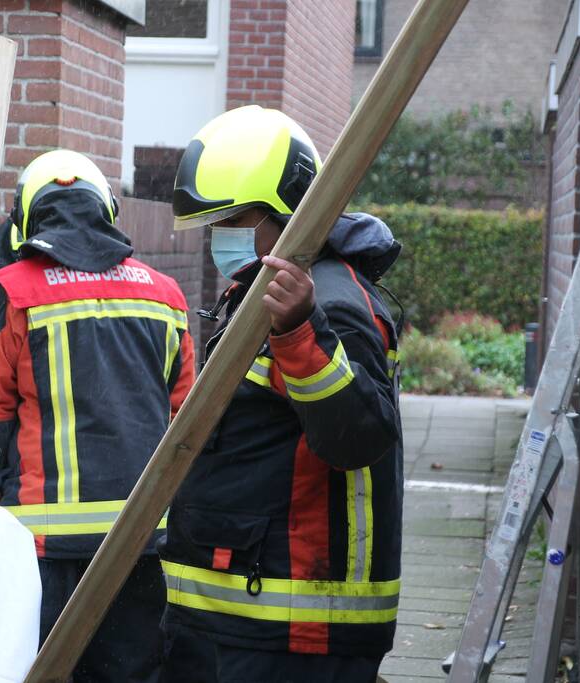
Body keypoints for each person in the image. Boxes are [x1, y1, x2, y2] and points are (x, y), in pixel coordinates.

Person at [158, 105, 404, 683]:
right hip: (239, 614)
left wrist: (299, 332)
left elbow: (359, 435)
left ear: (290, 213)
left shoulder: (331, 303)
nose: (224, 240)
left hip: (290, 624)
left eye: (237, 221)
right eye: (218, 225)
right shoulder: (262, 290)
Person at [0, 149, 196, 682]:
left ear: (27, 216)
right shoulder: (165, 296)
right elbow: (186, 416)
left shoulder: (13, 292)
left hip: (42, 550)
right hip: (139, 539)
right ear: (108, 211)